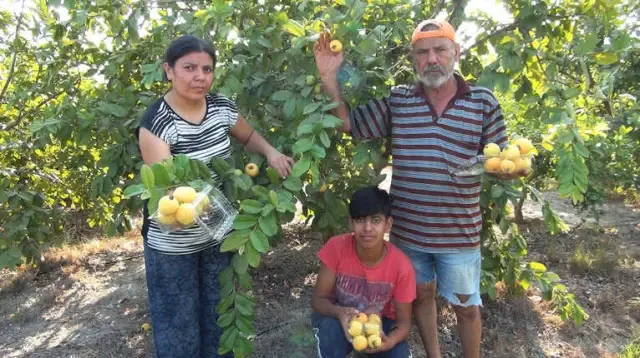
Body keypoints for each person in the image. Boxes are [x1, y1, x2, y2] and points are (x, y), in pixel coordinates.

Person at [314, 19, 524, 358]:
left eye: (440, 49)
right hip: (410, 234)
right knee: (422, 298)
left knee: (467, 308)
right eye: (422, 52)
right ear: (414, 59)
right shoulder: (399, 100)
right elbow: (348, 124)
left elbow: (499, 160)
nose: (432, 59)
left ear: (456, 52)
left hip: (459, 233)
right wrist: (328, 77)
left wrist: (509, 172)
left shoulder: (483, 101)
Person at [137, 35, 294, 358]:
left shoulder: (221, 107)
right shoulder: (157, 123)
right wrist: (194, 209)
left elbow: (247, 135)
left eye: (207, 69)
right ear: (169, 70)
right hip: (174, 245)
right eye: (189, 68)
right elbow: (169, 191)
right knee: (178, 330)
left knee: (219, 321)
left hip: (218, 235)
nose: (200, 77)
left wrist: (271, 152)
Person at [311, 186, 416, 358]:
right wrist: (339, 312)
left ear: (387, 224)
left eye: (375, 221)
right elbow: (318, 300)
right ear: (351, 222)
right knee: (329, 332)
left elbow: (404, 323)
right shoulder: (336, 248)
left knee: (398, 352)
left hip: (381, 324)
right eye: (360, 220)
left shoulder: (401, 266)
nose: (367, 228)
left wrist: (389, 341)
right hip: (339, 320)